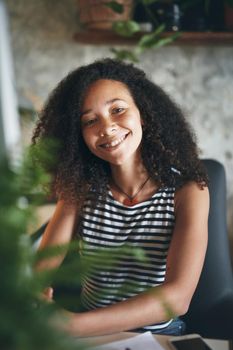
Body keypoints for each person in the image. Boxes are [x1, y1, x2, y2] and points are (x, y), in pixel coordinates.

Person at [32, 58, 209, 337]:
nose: (106, 127)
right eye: (90, 120)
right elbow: (42, 267)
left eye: (118, 110)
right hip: (94, 336)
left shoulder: (188, 190)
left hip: (159, 334)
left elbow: (178, 298)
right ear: (78, 135)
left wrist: (72, 326)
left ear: (144, 114)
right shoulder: (79, 187)